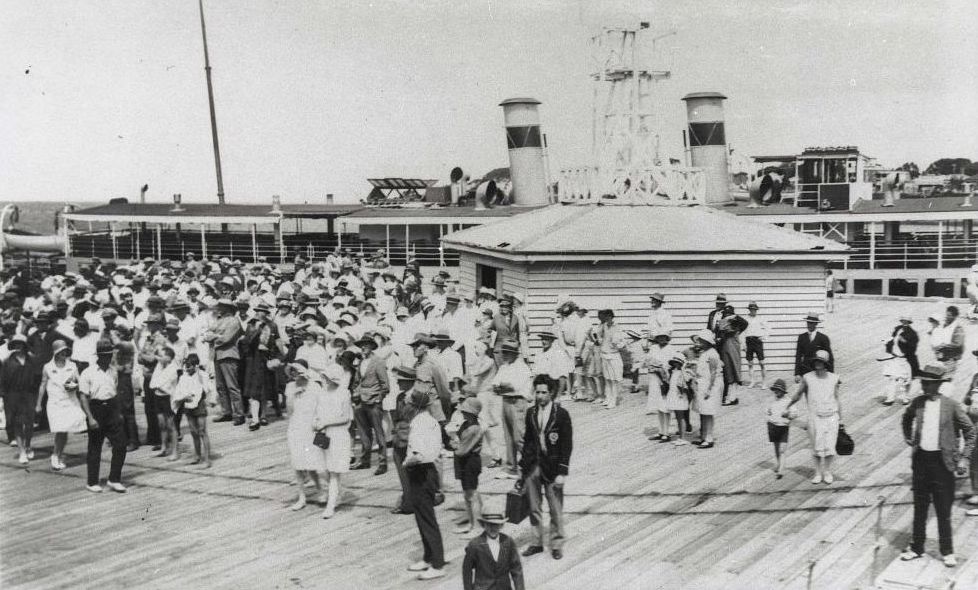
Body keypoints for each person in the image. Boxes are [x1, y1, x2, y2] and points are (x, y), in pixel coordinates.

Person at [899, 364, 975, 568]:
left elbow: (970, 431)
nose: (924, 386)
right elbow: (906, 418)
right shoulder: (918, 403)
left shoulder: (951, 405)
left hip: (943, 465)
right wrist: (909, 438)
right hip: (921, 462)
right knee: (920, 508)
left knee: (943, 510)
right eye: (923, 382)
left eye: (929, 383)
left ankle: (947, 551)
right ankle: (916, 547)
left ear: (938, 385)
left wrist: (965, 458)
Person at [519, 375, 572, 560]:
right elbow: (527, 441)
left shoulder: (561, 414)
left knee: (555, 507)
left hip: (553, 468)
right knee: (534, 507)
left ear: (551, 393)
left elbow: (567, 445)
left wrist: (562, 471)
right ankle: (536, 542)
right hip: (534, 466)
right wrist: (523, 468)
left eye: (543, 392)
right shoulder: (531, 413)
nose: (539, 396)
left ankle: (556, 543)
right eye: (537, 392)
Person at [403, 388, 447, 581]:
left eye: (407, 402)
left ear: (414, 406)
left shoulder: (420, 424)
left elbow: (418, 455)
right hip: (426, 472)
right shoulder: (427, 421)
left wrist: (405, 463)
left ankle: (437, 563)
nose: (404, 405)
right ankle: (428, 557)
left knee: (427, 518)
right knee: (422, 516)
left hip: (422, 472)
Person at [783, 349, 842, 484]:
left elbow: (837, 398)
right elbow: (798, 395)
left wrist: (841, 418)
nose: (817, 363)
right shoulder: (808, 378)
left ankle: (826, 471)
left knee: (830, 447)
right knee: (816, 447)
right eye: (816, 361)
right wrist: (787, 406)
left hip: (831, 416)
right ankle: (817, 472)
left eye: (820, 361)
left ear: (825, 364)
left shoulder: (834, 378)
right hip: (814, 416)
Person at [78, 339, 128, 493]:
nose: (107, 357)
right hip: (96, 409)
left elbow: (115, 391)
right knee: (95, 447)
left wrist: (118, 412)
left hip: (112, 409)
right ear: (98, 356)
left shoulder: (113, 371)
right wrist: (91, 418)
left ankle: (114, 479)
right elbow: (83, 397)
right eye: (104, 355)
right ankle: (92, 482)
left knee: (121, 444)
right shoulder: (88, 372)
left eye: (109, 354)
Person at [284, 361, 328, 511]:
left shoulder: (314, 386)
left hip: (311, 427)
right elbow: (289, 412)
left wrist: (320, 424)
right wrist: (293, 395)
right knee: (298, 464)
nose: (294, 374)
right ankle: (301, 497)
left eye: (296, 370)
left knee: (314, 464)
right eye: (292, 371)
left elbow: (321, 406)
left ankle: (322, 489)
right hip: (296, 427)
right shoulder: (290, 387)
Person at [37, 339, 85, 470]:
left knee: (65, 430)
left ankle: (58, 454)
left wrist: (74, 386)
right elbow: (42, 385)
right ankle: (55, 455)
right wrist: (38, 404)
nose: (64, 353)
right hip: (55, 403)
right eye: (61, 351)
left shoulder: (73, 365)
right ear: (55, 353)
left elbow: (79, 381)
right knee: (60, 430)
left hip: (70, 401)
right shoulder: (47, 367)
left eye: (65, 351)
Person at [491, 339, 533, 480]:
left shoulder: (522, 367)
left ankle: (532, 466)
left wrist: (502, 386)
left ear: (514, 353)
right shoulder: (504, 367)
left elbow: (512, 386)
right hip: (506, 401)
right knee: (508, 437)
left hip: (518, 402)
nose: (504, 355)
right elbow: (495, 385)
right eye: (504, 352)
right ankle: (511, 468)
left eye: (507, 352)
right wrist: (502, 386)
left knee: (519, 437)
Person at [317, 363, 354, 518]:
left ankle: (330, 506)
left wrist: (326, 422)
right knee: (321, 469)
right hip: (323, 434)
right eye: (323, 376)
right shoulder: (323, 393)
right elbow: (318, 412)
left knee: (333, 472)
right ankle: (339, 490)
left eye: (326, 377)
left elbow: (346, 417)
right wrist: (317, 422)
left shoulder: (344, 393)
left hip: (338, 434)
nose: (324, 379)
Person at [352, 334, 390, 475]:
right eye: (361, 345)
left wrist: (379, 398)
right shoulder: (361, 362)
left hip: (373, 401)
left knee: (379, 432)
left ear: (371, 346)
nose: (363, 347)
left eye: (366, 344)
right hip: (360, 400)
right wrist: (355, 393)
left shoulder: (378, 361)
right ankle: (365, 460)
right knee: (363, 432)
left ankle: (382, 462)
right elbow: (357, 381)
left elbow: (385, 384)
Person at [204, 298, 245, 425]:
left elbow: (226, 339)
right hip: (217, 354)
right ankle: (226, 412)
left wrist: (214, 336)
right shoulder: (219, 320)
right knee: (220, 386)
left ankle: (239, 413)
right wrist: (212, 336)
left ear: (228, 308)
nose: (219, 308)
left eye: (221, 306)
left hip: (229, 354)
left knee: (232, 386)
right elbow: (207, 333)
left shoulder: (233, 321)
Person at [461, 513, 525, 590]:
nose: (492, 528)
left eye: (496, 525)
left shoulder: (508, 541)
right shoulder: (475, 545)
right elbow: (467, 571)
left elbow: (516, 569)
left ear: (501, 525)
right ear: (483, 525)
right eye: (489, 525)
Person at [170, 353, 213, 467]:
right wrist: (183, 397)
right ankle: (197, 456)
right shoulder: (184, 377)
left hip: (199, 406)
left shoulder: (202, 375)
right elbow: (179, 391)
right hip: (188, 406)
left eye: (189, 366)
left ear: (195, 366)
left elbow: (207, 388)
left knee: (202, 431)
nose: (187, 369)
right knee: (194, 432)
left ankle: (207, 459)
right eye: (186, 366)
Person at [1, 335, 38, 464]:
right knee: (17, 424)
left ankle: (28, 445)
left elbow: (36, 379)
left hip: (29, 395)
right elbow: (3, 381)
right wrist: (4, 397)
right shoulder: (7, 362)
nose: (17, 347)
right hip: (13, 396)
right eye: (15, 344)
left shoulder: (31, 359)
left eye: (20, 344)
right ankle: (22, 451)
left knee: (29, 424)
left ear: (24, 345)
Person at [453, 396, 484, 536]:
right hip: (465, 462)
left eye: (465, 411)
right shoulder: (466, 425)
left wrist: (451, 445)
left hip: (470, 461)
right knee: (467, 495)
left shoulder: (474, 428)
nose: (462, 413)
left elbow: (462, 450)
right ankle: (472, 524)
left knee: (471, 494)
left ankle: (477, 526)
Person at [689, 330, 723, 449]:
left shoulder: (713, 354)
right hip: (702, 383)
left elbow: (713, 372)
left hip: (710, 384)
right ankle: (703, 436)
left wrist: (709, 389)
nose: (699, 343)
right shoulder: (704, 352)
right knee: (702, 411)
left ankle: (709, 438)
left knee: (708, 412)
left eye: (702, 341)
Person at [149, 347, 180, 460]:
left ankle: (175, 452)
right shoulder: (159, 366)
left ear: (168, 358)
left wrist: (157, 385)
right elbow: (153, 384)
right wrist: (157, 385)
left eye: (161, 356)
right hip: (158, 397)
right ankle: (163, 448)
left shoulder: (173, 369)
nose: (158, 357)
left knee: (171, 425)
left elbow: (161, 384)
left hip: (168, 399)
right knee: (162, 424)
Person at [644, 331, 675, 441]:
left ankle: (667, 432)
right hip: (654, 378)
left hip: (665, 379)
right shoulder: (654, 348)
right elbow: (647, 361)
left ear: (667, 338)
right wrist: (652, 365)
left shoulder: (671, 349)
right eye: (659, 337)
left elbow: (672, 364)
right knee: (658, 405)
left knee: (665, 405)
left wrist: (662, 370)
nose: (661, 339)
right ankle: (661, 431)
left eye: (663, 337)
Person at [882, 315, 918, 406]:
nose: (904, 322)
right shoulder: (897, 329)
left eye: (906, 321)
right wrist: (887, 342)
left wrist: (904, 341)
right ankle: (890, 398)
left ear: (909, 322)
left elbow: (913, 347)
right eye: (903, 321)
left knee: (906, 379)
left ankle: (906, 397)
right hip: (894, 358)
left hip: (904, 359)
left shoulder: (912, 333)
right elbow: (892, 339)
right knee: (892, 378)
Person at [765, 379, 795, 479]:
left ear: (783, 391)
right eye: (775, 390)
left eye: (778, 390)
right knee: (776, 448)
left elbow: (794, 413)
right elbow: (768, 411)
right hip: (773, 426)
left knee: (782, 449)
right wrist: (769, 414)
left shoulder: (788, 401)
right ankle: (778, 464)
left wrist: (788, 414)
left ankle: (781, 470)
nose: (776, 392)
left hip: (783, 427)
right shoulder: (772, 401)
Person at [597, 309, 626, 409]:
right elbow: (600, 337)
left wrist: (618, 346)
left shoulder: (617, 327)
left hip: (614, 356)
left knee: (614, 379)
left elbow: (623, 342)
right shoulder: (604, 326)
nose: (605, 319)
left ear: (611, 316)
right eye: (604, 317)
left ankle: (613, 400)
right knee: (607, 378)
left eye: (607, 316)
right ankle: (608, 398)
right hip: (604, 354)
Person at [794, 312, 833, 383]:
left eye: (811, 323)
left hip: (818, 370)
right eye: (808, 322)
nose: (809, 325)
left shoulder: (823, 338)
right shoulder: (802, 337)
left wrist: (831, 374)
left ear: (816, 324)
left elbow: (830, 358)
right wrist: (797, 373)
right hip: (805, 371)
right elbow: (798, 356)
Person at [742, 302, 769, 388]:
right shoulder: (745, 319)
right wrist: (743, 344)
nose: (753, 311)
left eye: (754, 309)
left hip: (757, 341)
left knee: (762, 363)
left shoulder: (760, 319)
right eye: (751, 309)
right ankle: (752, 381)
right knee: (750, 363)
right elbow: (742, 332)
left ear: (756, 310)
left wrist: (764, 337)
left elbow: (768, 328)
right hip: (748, 341)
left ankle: (764, 382)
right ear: (749, 310)